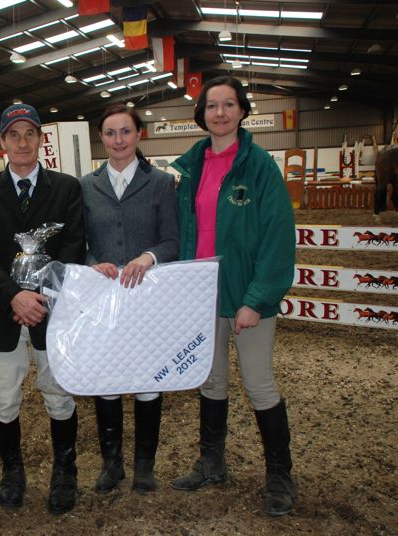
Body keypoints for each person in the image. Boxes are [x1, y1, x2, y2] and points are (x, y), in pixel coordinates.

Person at [169, 76, 297, 516]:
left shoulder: (259, 167)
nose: (219, 113)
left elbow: (278, 237)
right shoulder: (191, 166)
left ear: (242, 111)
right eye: (211, 106)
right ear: (201, 114)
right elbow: (183, 231)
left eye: (228, 105)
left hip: (246, 296)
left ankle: (280, 475)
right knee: (211, 380)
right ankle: (212, 462)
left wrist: (256, 299)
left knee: (259, 384)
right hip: (202, 295)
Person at [0, 103, 86, 515]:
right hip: (3, 311)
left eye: (29, 134)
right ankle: (12, 471)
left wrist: (43, 297)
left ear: (40, 139)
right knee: (4, 398)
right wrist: (13, 296)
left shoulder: (66, 188)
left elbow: (74, 247)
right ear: (2, 141)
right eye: (13, 135)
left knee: (59, 395)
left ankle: (65, 472)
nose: (22, 142)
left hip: (52, 311)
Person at [79, 103, 179, 494]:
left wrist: (148, 257)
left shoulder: (161, 183)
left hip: (146, 297)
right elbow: (80, 241)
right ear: (101, 138)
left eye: (125, 131)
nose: (118, 140)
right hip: (104, 296)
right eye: (110, 133)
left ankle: (144, 466)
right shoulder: (87, 186)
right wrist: (92, 264)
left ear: (139, 134)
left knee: (148, 380)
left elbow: (172, 239)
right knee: (107, 379)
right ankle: (112, 464)